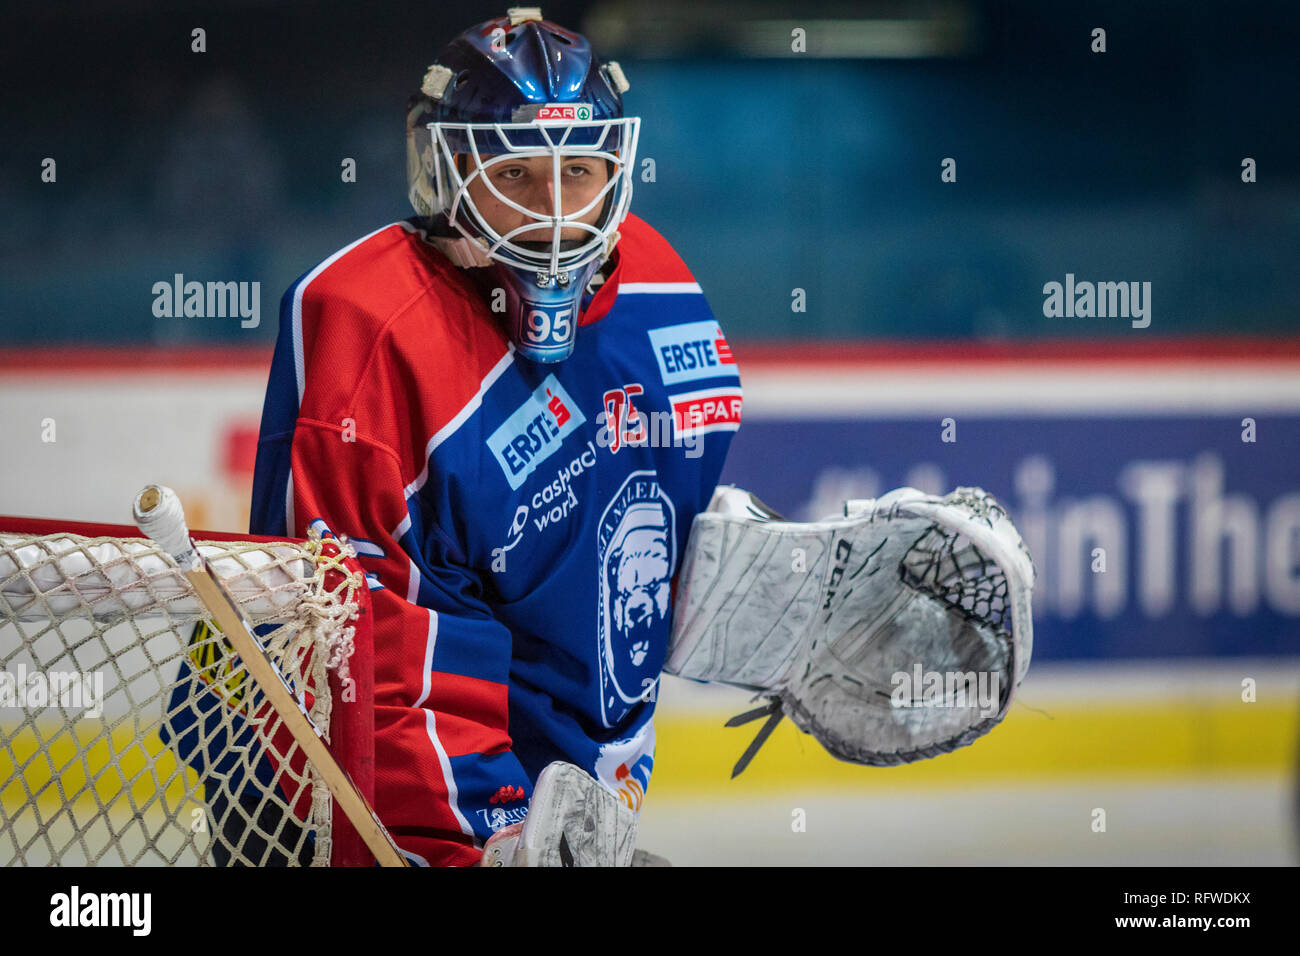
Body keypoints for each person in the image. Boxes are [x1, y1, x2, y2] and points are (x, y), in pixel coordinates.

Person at [248, 8, 743, 865]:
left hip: (570, 814)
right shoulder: (366, 326)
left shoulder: (661, 288)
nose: (554, 214)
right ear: (449, 174)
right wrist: (493, 841)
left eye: (580, 172)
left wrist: (785, 609)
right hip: (337, 820)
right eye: (516, 175)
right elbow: (359, 656)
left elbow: (659, 546)